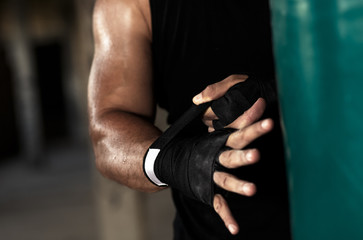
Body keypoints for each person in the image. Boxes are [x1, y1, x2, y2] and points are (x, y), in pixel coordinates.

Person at [88, 0, 291, 239]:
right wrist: (177, 161)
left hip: (338, 208)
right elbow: (108, 133)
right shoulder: (130, 4)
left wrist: (274, 92)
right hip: (213, 230)